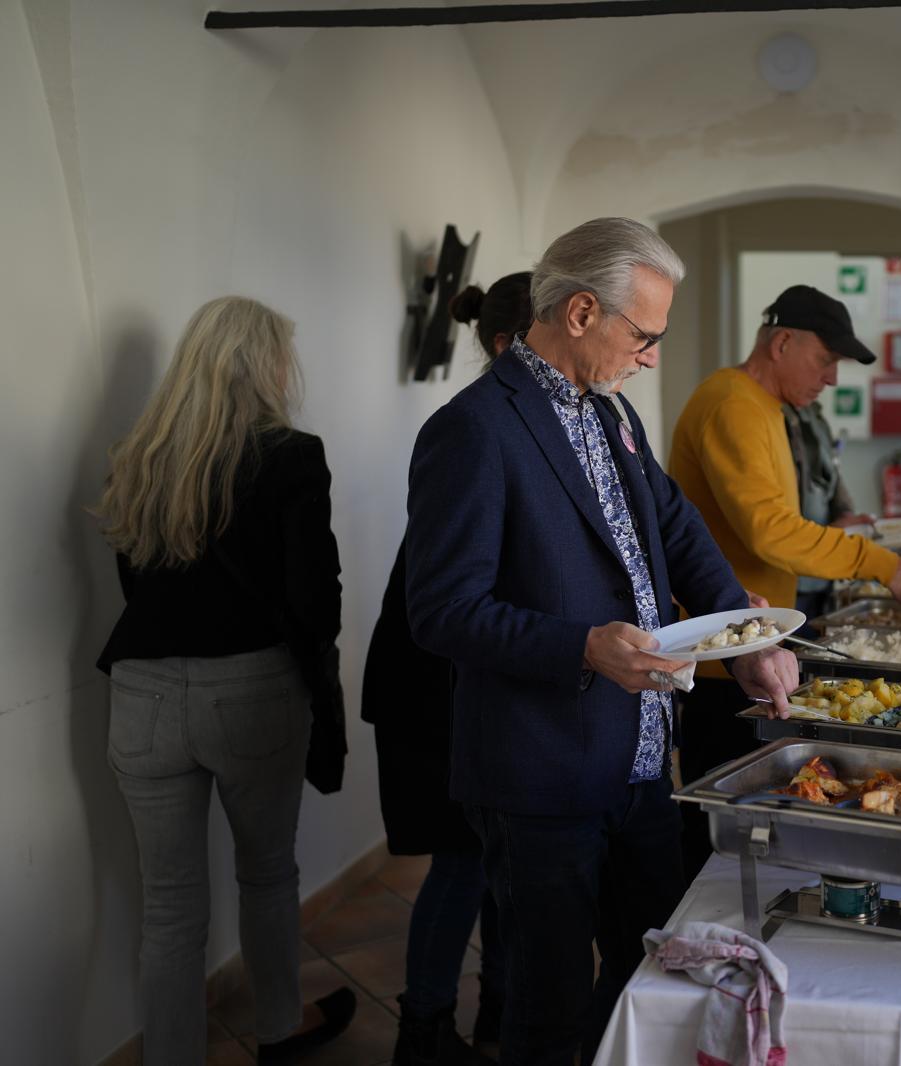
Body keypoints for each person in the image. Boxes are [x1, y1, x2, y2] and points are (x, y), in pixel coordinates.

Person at [404, 217, 799, 1066]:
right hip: (540, 770)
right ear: (582, 313)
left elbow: (680, 531)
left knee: (651, 975)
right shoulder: (474, 429)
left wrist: (748, 637)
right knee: (546, 1011)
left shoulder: (611, 411)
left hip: (644, 759)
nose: (652, 355)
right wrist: (583, 646)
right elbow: (440, 611)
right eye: (644, 334)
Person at [95, 296, 355, 1065]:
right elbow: (317, 599)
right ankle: (278, 1028)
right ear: (264, 363)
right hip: (251, 690)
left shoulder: (138, 453)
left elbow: (132, 582)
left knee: (168, 907)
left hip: (139, 692)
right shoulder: (290, 454)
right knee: (268, 873)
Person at [668, 284, 901, 871]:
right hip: (723, 655)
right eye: (825, 360)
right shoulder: (731, 403)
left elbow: (772, 524)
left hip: (753, 641)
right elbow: (772, 533)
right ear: (782, 342)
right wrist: (880, 562)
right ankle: (696, 937)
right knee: (718, 829)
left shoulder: (767, 408)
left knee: (750, 820)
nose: (832, 378)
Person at [362, 273, 533, 1065]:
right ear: (508, 347)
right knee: (462, 863)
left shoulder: (521, 424)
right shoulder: (473, 430)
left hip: (463, 684)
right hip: (433, 689)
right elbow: (450, 603)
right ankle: (424, 1029)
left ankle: (496, 1009)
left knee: (494, 861)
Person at [783, 399, 874, 624]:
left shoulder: (814, 414)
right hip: (788, 576)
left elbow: (831, 472)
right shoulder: (770, 415)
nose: (831, 378)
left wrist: (845, 514)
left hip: (822, 574)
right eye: (825, 363)